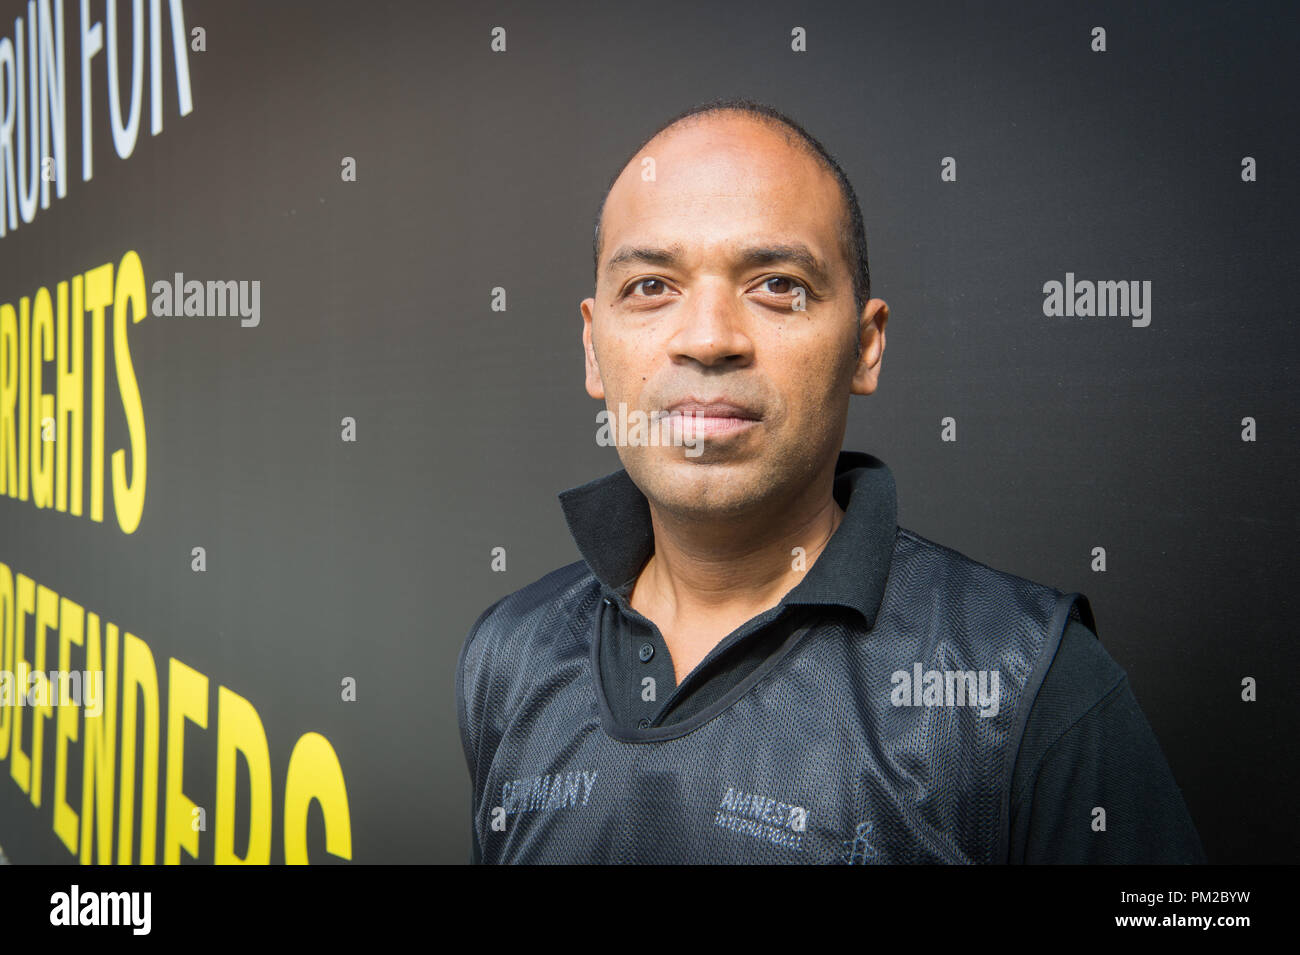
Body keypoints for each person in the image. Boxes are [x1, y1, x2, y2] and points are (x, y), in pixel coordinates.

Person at [456, 97, 1205, 864]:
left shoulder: (1025, 682)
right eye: (651, 286)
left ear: (865, 346)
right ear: (592, 348)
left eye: (778, 284)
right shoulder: (509, 654)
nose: (709, 338)